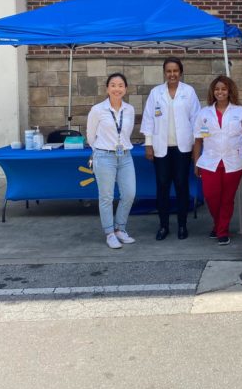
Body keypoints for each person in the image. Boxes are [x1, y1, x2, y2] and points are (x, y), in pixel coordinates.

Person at [141, 57, 201, 241]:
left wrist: (196, 148)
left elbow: (196, 119)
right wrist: (149, 144)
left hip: (183, 149)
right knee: (162, 187)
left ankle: (182, 225)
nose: (172, 74)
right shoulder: (155, 93)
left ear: (180, 72)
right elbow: (149, 119)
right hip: (161, 149)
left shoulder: (188, 92)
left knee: (182, 186)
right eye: (169, 71)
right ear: (164, 73)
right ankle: (164, 226)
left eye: (175, 71)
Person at [192, 76, 242, 246]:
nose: (220, 92)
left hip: (233, 162)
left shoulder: (239, 111)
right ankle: (218, 224)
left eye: (224, 89)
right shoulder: (204, 113)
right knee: (211, 196)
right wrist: (196, 162)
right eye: (217, 89)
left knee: (227, 199)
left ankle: (222, 231)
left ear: (229, 91)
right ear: (213, 91)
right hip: (209, 161)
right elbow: (198, 140)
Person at [86, 73, 136, 249]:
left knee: (129, 194)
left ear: (125, 89)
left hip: (125, 156)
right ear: (107, 88)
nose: (117, 88)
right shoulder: (98, 110)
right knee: (106, 197)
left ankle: (120, 229)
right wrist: (100, 150)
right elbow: (91, 136)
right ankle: (109, 233)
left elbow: (126, 133)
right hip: (104, 156)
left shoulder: (129, 109)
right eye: (113, 85)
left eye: (121, 85)